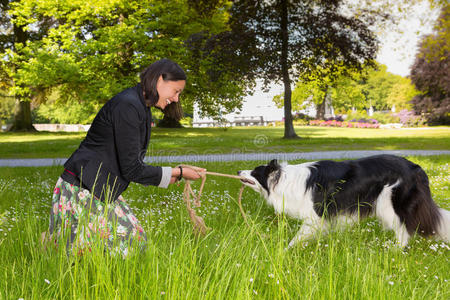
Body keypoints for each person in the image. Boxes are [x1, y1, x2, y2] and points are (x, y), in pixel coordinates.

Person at [46, 59, 205, 256]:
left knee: (134, 242)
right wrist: (178, 171)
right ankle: (53, 241)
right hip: (82, 188)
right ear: (160, 80)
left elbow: (131, 165)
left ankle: (56, 240)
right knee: (124, 247)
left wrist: (175, 175)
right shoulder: (128, 105)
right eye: (176, 91)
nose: (176, 99)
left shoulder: (140, 106)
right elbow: (132, 169)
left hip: (99, 188)